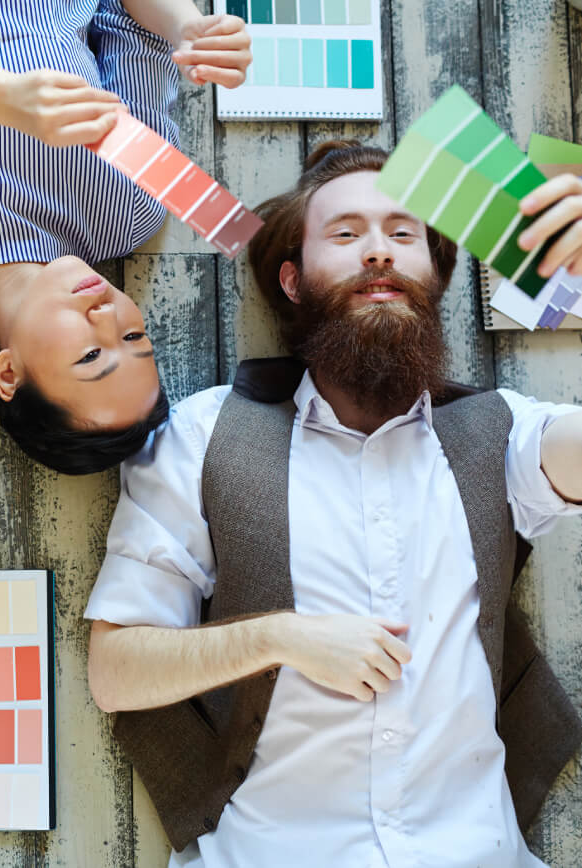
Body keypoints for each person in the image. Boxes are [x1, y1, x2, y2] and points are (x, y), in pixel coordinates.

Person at [85, 139, 582, 867]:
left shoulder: (504, 432)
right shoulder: (204, 432)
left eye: (403, 233)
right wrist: (280, 638)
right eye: (345, 234)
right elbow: (115, 673)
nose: (377, 251)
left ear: (433, 276)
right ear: (292, 280)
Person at [0, 1, 251, 474]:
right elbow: (131, 24)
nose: (107, 316)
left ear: (9, 373)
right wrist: (189, 29)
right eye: (132, 334)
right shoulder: (133, 208)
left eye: (91, 354)